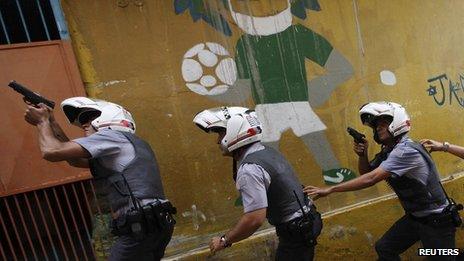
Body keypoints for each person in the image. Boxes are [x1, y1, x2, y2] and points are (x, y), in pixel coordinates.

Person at [24, 97, 176, 261]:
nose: (84, 125)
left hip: (141, 224)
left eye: (89, 119)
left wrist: (42, 122)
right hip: (156, 221)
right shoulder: (131, 143)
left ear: (109, 119)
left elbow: (51, 151)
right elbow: (73, 159)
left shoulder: (112, 137)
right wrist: (52, 121)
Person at [304, 101, 458, 261]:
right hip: (416, 218)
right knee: (385, 248)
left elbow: (371, 179)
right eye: (376, 126)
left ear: (397, 123)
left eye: (383, 124)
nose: (378, 128)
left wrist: (329, 189)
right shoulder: (389, 151)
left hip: (437, 221)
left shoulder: (405, 151)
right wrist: (363, 155)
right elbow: (367, 172)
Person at [193, 106, 322, 260]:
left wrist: (224, 240)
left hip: (295, 231)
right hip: (306, 222)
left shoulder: (250, 169)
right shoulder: (265, 151)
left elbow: (254, 218)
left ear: (236, 130)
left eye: (221, 133)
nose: (218, 140)